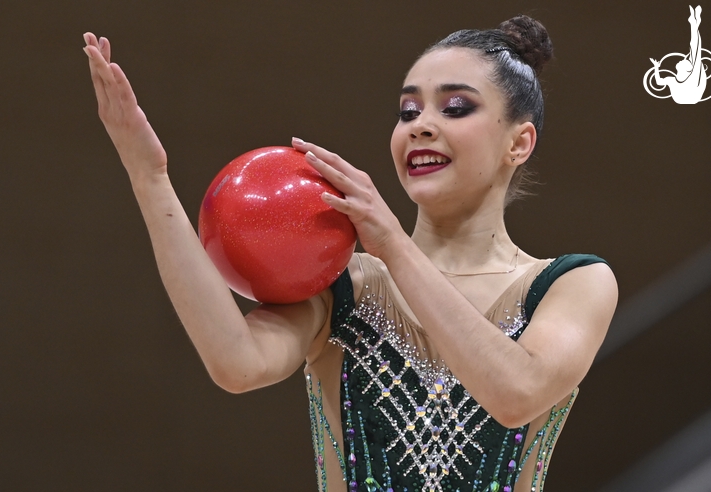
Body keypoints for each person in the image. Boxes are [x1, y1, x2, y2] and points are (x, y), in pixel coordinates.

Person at [84, 14, 617, 492]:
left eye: (456, 107)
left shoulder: (572, 284)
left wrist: (391, 244)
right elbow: (236, 362)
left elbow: (515, 394)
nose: (421, 125)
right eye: (408, 110)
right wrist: (150, 179)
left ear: (518, 144)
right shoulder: (346, 282)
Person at [650, 5, 706, 104]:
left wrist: (656, 67)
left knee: (695, 51)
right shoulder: (675, 79)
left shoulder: (679, 79)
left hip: (689, 96)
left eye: (685, 61)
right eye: (686, 61)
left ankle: (694, 24)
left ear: (687, 69)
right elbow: (658, 82)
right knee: (695, 52)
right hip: (689, 97)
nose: (682, 59)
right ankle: (694, 24)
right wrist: (656, 67)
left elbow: (659, 82)